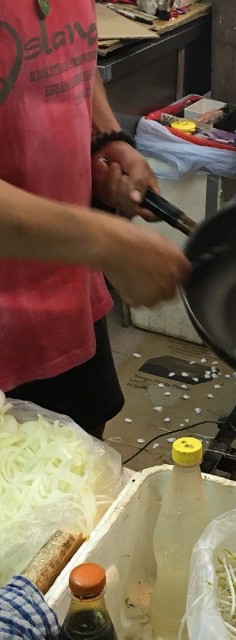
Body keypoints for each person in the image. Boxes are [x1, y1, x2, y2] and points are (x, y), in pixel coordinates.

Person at [0, 2, 191, 439]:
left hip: (68, 289)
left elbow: (67, 56)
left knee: (84, 458)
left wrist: (107, 138)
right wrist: (103, 240)